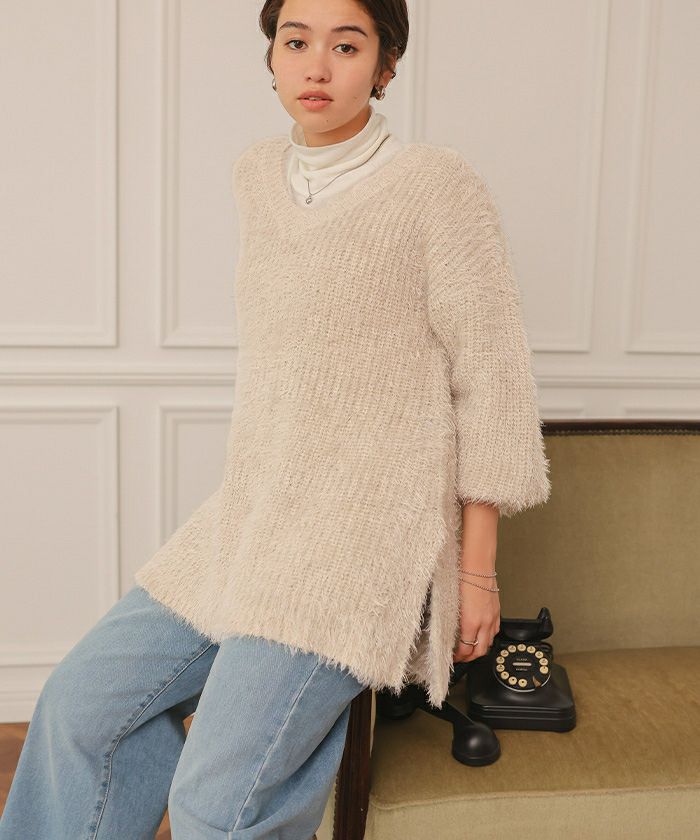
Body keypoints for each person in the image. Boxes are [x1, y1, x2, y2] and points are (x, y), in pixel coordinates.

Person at [0, 0, 550, 837]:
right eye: (296, 42)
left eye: (347, 45)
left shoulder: (438, 187)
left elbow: (495, 382)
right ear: (272, 57)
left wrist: (478, 573)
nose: (317, 65)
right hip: (251, 518)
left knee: (218, 799)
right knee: (81, 707)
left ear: (386, 65)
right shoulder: (258, 175)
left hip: (361, 543)